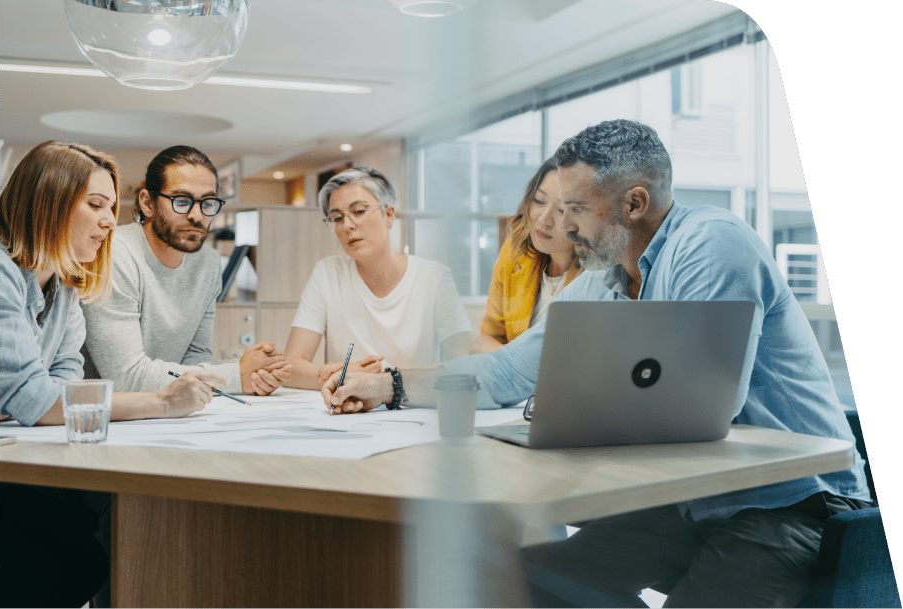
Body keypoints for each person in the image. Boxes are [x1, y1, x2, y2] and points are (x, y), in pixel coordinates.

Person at [321, 120, 872, 607]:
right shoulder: (603, 282)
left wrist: (573, 414)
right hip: (693, 505)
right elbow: (507, 373)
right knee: (532, 574)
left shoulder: (711, 243)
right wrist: (387, 385)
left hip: (791, 506)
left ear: (634, 204)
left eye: (577, 210)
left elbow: (702, 407)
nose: (563, 229)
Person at [0, 141, 226, 608]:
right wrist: (162, 404)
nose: (108, 221)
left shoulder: (66, 284)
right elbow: (34, 398)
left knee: (85, 563)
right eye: (95, 205)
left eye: (109, 206)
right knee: (51, 571)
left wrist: (28, 401)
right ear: (49, 200)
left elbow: (61, 383)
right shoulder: (0, 271)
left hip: (19, 458)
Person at [81, 145, 291, 397]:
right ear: (147, 203)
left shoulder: (209, 264)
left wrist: (255, 374)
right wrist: (237, 375)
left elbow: (194, 357)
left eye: (208, 202)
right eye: (181, 201)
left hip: (168, 411)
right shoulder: (114, 255)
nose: (197, 215)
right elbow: (127, 377)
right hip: (106, 416)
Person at [282, 167, 471, 391]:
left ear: (388, 215)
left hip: (414, 411)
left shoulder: (435, 278)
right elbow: (290, 366)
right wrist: (345, 377)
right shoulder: (327, 273)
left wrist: (381, 383)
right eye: (337, 218)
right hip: (346, 412)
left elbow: (464, 366)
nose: (347, 225)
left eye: (359, 211)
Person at [472, 157, 582, 354]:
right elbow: (488, 338)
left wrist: (505, 356)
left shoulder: (597, 277)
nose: (544, 219)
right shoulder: (514, 254)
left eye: (561, 210)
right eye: (539, 201)